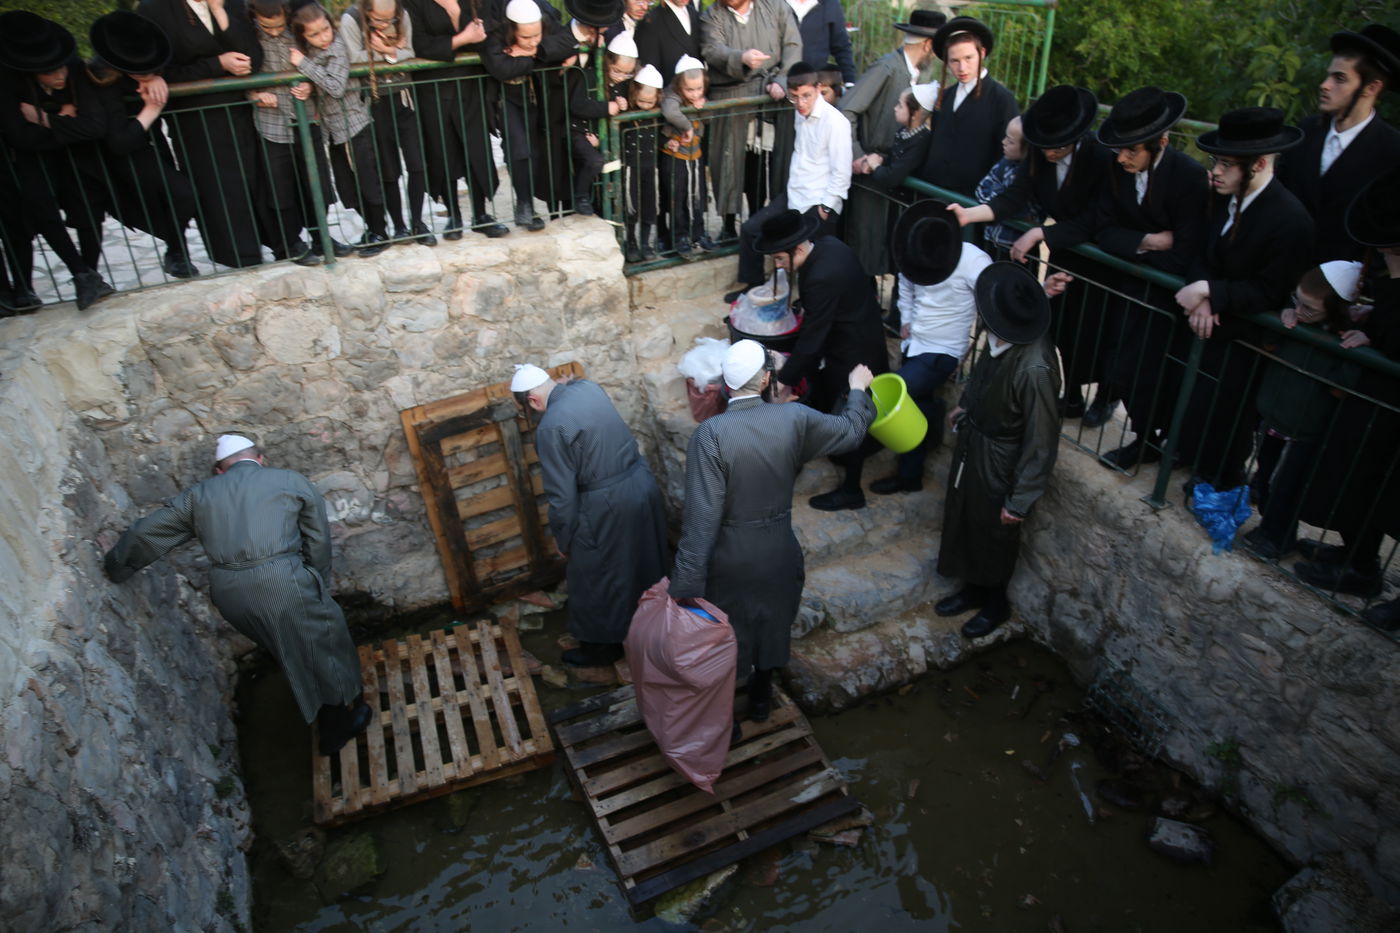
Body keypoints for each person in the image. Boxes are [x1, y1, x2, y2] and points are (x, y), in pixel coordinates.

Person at [103, 434, 370, 755]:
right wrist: (316, 581)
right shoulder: (289, 481)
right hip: (283, 583)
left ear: (220, 470)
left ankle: (323, 707)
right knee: (324, 644)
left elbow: (146, 532)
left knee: (287, 646)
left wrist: (116, 566)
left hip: (230, 594)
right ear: (259, 459)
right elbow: (318, 539)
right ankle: (336, 729)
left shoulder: (199, 495)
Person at [670, 340, 876, 721]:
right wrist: (858, 390)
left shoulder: (710, 435)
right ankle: (761, 703)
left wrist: (684, 588)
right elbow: (850, 432)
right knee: (772, 622)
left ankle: (725, 723)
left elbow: (700, 523)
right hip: (779, 548)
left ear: (727, 384)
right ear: (766, 379)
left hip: (730, 557)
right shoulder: (794, 418)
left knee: (725, 636)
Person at [948, 85, 1114, 426]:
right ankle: (1073, 394)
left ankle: (1106, 396)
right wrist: (969, 214)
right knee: (1064, 325)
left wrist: (1041, 233)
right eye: (1045, 146)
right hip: (1067, 252)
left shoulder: (1100, 157)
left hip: (1100, 254)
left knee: (1100, 330)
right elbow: (1014, 196)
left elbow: (1097, 217)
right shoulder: (1040, 153)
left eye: (1058, 147)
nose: (1050, 153)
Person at [1173, 108, 1315, 495]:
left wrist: (1212, 293)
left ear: (1260, 164)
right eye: (1215, 161)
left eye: (1226, 164)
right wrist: (1204, 294)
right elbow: (1201, 250)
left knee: (1229, 412)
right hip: (1208, 323)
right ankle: (1189, 455)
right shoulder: (1220, 197)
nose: (1216, 171)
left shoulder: (1291, 220)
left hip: (1245, 336)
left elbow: (1270, 289)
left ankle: (1221, 475)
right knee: (1195, 397)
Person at [1291, 166, 1400, 626]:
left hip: (1390, 405)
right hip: (1377, 403)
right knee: (1360, 481)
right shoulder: (1390, 270)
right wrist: (1371, 324)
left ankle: (1364, 571)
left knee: (1384, 489)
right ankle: (1359, 558)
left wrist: (1378, 336)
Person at [510, 365, 670, 667]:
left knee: (593, 574)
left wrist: (564, 537)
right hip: (640, 485)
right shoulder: (588, 389)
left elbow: (562, 495)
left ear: (532, 400)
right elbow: (570, 386)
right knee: (644, 559)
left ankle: (601, 647)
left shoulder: (550, 427)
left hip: (605, 503)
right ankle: (655, 625)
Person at [935, 262, 1062, 639]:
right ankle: (972, 587)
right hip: (976, 444)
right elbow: (983, 377)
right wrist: (966, 405)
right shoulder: (1000, 339)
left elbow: (1042, 439)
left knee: (995, 530)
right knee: (966, 515)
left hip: (1001, 459)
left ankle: (995, 602)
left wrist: (1020, 500)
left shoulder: (1036, 368)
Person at [1092, 87, 1209, 470]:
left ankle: (1159, 441)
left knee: (1160, 374)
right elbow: (1104, 231)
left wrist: (1134, 245)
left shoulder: (1190, 177)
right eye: (1119, 149)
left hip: (1170, 298)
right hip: (1128, 290)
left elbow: (1186, 252)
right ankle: (1145, 436)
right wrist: (1150, 240)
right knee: (1123, 369)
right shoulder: (1116, 169)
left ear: (1161, 142)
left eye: (1132, 150)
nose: (1121, 158)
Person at [754, 208, 888, 510]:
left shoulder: (819, 277)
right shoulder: (829, 246)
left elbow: (812, 339)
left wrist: (784, 382)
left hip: (852, 350)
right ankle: (837, 450)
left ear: (798, 250)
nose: (778, 265)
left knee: (850, 410)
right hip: (861, 332)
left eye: (780, 258)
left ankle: (852, 490)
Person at [1243, 261, 1365, 561]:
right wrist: (1284, 316)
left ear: (1335, 309)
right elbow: (1269, 344)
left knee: (1286, 486)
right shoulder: (1296, 320)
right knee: (1265, 473)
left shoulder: (1345, 339)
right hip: (1273, 415)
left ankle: (1278, 537)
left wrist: (1350, 352)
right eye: (1296, 301)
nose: (1300, 311)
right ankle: (1268, 529)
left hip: (1305, 428)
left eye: (1309, 309)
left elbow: (1339, 388)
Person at [869, 199, 992, 495]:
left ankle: (885, 461)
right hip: (914, 343)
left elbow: (994, 301)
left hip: (943, 351)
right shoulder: (915, 247)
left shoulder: (974, 261)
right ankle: (910, 475)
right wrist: (906, 320)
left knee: (892, 398)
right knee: (917, 407)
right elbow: (906, 286)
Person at [0, 12, 116, 311]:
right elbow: (19, 136)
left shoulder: (73, 66)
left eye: (61, 66)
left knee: (89, 208)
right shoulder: (7, 79)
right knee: (40, 210)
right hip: (32, 159)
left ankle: (88, 274)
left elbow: (95, 126)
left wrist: (45, 120)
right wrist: (65, 123)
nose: (59, 74)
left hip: (78, 157)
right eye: (48, 70)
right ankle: (81, 274)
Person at [138, 0, 267, 268]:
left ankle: (279, 244)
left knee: (256, 180)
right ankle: (239, 260)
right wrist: (218, 64)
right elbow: (166, 73)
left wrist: (218, 11)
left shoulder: (231, 3)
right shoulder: (154, 9)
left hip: (243, 111)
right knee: (218, 190)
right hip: (196, 121)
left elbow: (254, 56)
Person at [86, 11, 201, 280]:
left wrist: (157, 77)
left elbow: (179, 72)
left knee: (177, 197)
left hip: (150, 142)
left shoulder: (153, 67)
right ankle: (175, 251)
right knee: (179, 195)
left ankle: (177, 251)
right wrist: (151, 108)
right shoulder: (102, 79)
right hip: (119, 152)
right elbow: (119, 142)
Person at [1276, 24, 1400, 262]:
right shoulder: (1305, 131)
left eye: (1339, 79)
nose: (1325, 85)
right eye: (1328, 75)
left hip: (1345, 277)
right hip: (1283, 265)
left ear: (1371, 87)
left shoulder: (1392, 152)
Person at [731, 62, 850, 297]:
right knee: (751, 229)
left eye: (806, 96)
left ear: (818, 89)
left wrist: (825, 207)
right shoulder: (798, 114)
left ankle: (807, 302)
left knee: (814, 260)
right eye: (795, 97)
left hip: (818, 202)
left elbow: (842, 172)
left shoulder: (836, 122)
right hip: (794, 195)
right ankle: (753, 286)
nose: (801, 103)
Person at [838, 8, 941, 278]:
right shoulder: (886, 67)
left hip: (892, 170)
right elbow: (846, 109)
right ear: (928, 45)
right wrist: (858, 155)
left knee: (884, 244)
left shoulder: (918, 74)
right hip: (870, 168)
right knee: (864, 241)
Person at [290, 2, 394, 257]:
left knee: (368, 182)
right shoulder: (312, 52)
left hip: (354, 125)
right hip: (333, 130)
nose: (323, 37)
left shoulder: (337, 47)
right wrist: (311, 82)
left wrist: (305, 66)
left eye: (325, 29)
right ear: (303, 36)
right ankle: (372, 228)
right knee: (347, 188)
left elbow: (336, 86)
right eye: (314, 34)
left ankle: (380, 232)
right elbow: (321, 80)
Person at [247, 0, 347, 265]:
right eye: (268, 27)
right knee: (281, 188)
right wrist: (254, 94)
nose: (275, 32)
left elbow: (320, 61)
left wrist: (311, 87)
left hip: (307, 117)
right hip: (272, 121)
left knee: (318, 183)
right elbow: (240, 74)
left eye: (279, 25)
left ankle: (321, 236)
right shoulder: (248, 36)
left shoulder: (299, 30)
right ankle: (289, 243)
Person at [401, 0, 510, 239]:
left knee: (476, 150)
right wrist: (462, 38)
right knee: (442, 152)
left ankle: (480, 215)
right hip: (432, 89)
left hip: (471, 85)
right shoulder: (411, 3)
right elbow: (419, 44)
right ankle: (454, 217)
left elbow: (485, 34)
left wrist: (457, 16)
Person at [699, 0, 802, 239]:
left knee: (763, 163)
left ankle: (760, 221)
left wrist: (782, 80)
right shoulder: (712, 15)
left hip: (770, 96)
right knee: (728, 163)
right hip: (730, 98)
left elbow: (793, 46)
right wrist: (741, 58)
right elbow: (712, 49)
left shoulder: (776, 6)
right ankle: (727, 227)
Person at [342, 0, 436, 245]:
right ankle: (399, 226)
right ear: (367, 10)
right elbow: (352, 58)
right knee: (388, 168)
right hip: (374, 100)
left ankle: (418, 222)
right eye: (378, 20)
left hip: (403, 97)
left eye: (390, 20)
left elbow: (411, 51)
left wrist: (387, 52)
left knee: (417, 163)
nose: (385, 24)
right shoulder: (351, 19)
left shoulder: (402, 13)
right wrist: (391, 52)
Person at [481, 0, 576, 231]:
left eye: (537, 35)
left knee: (534, 151)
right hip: (506, 98)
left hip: (534, 95)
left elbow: (568, 42)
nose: (533, 41)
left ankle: (529, 204)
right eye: (526, 38)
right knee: (519, 149)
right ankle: (524, 203)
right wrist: (539, 59)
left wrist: (533, 51)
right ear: (511, 31)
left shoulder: (544, 13)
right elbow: (500, 67)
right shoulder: (495, 22)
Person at [917, 16, 1019, 198]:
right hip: (932, 193)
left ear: (982, 53)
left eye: (968, 58)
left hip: (971, 200)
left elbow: (1006, 155)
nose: (962, 68)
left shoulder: (1002, 99)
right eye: (954, 61)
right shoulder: (945, 96)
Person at [566, 30, 636, 217]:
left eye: (627, 74)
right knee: (594, 160)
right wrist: (606, 107)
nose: (620, 77)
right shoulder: (590, 76)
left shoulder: (623, 84)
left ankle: (605, 209)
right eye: (617, 71)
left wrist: (623, 106)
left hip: (598, 135)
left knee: (607, 165)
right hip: (580, 131)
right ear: (607, 62)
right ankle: (581, 197)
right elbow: (577, 105)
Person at [659, 54, 709, 259]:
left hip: (695, 155)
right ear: (679, 84)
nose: (695, 94)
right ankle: (679, 237)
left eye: (699, 89)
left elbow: (708, 118)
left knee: (696, 196)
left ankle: (698, 233)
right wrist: (687, 126)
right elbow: (670, 112)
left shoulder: (699, 97)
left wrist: (704, 105)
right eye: (690, 90)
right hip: (675, 157)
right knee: (677, 199)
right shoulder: (671, 95)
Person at [622, 62, 664, 261]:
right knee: (631, 206)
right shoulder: (627, 114)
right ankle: (631, 240)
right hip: (631, 166)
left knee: (649, 206)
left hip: (650, 167)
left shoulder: (658, 115)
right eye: (641, 101)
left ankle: (646, 242)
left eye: (650, 102)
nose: (646, 106)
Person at [973, 115, 1030, 256]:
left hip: (1015, 248)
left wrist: (999, 203)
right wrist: (1000, 201)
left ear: (1027, 147)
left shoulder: (1031, 174)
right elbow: (981, 189)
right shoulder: (1005, 162)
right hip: (991, 239)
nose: (1003, 142)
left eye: (1010, 141)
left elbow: (1021, 209)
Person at [635, 0, 700, 92]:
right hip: (669, 94)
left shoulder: (693, 13)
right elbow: (650, 69)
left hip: (699, 93)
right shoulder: (652, 21)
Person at [788, 0, 855, 87]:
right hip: (780, 85)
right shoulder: (776, 3)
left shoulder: (829, 4)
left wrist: (849, 82)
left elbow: (842, 47)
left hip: (816, 84)